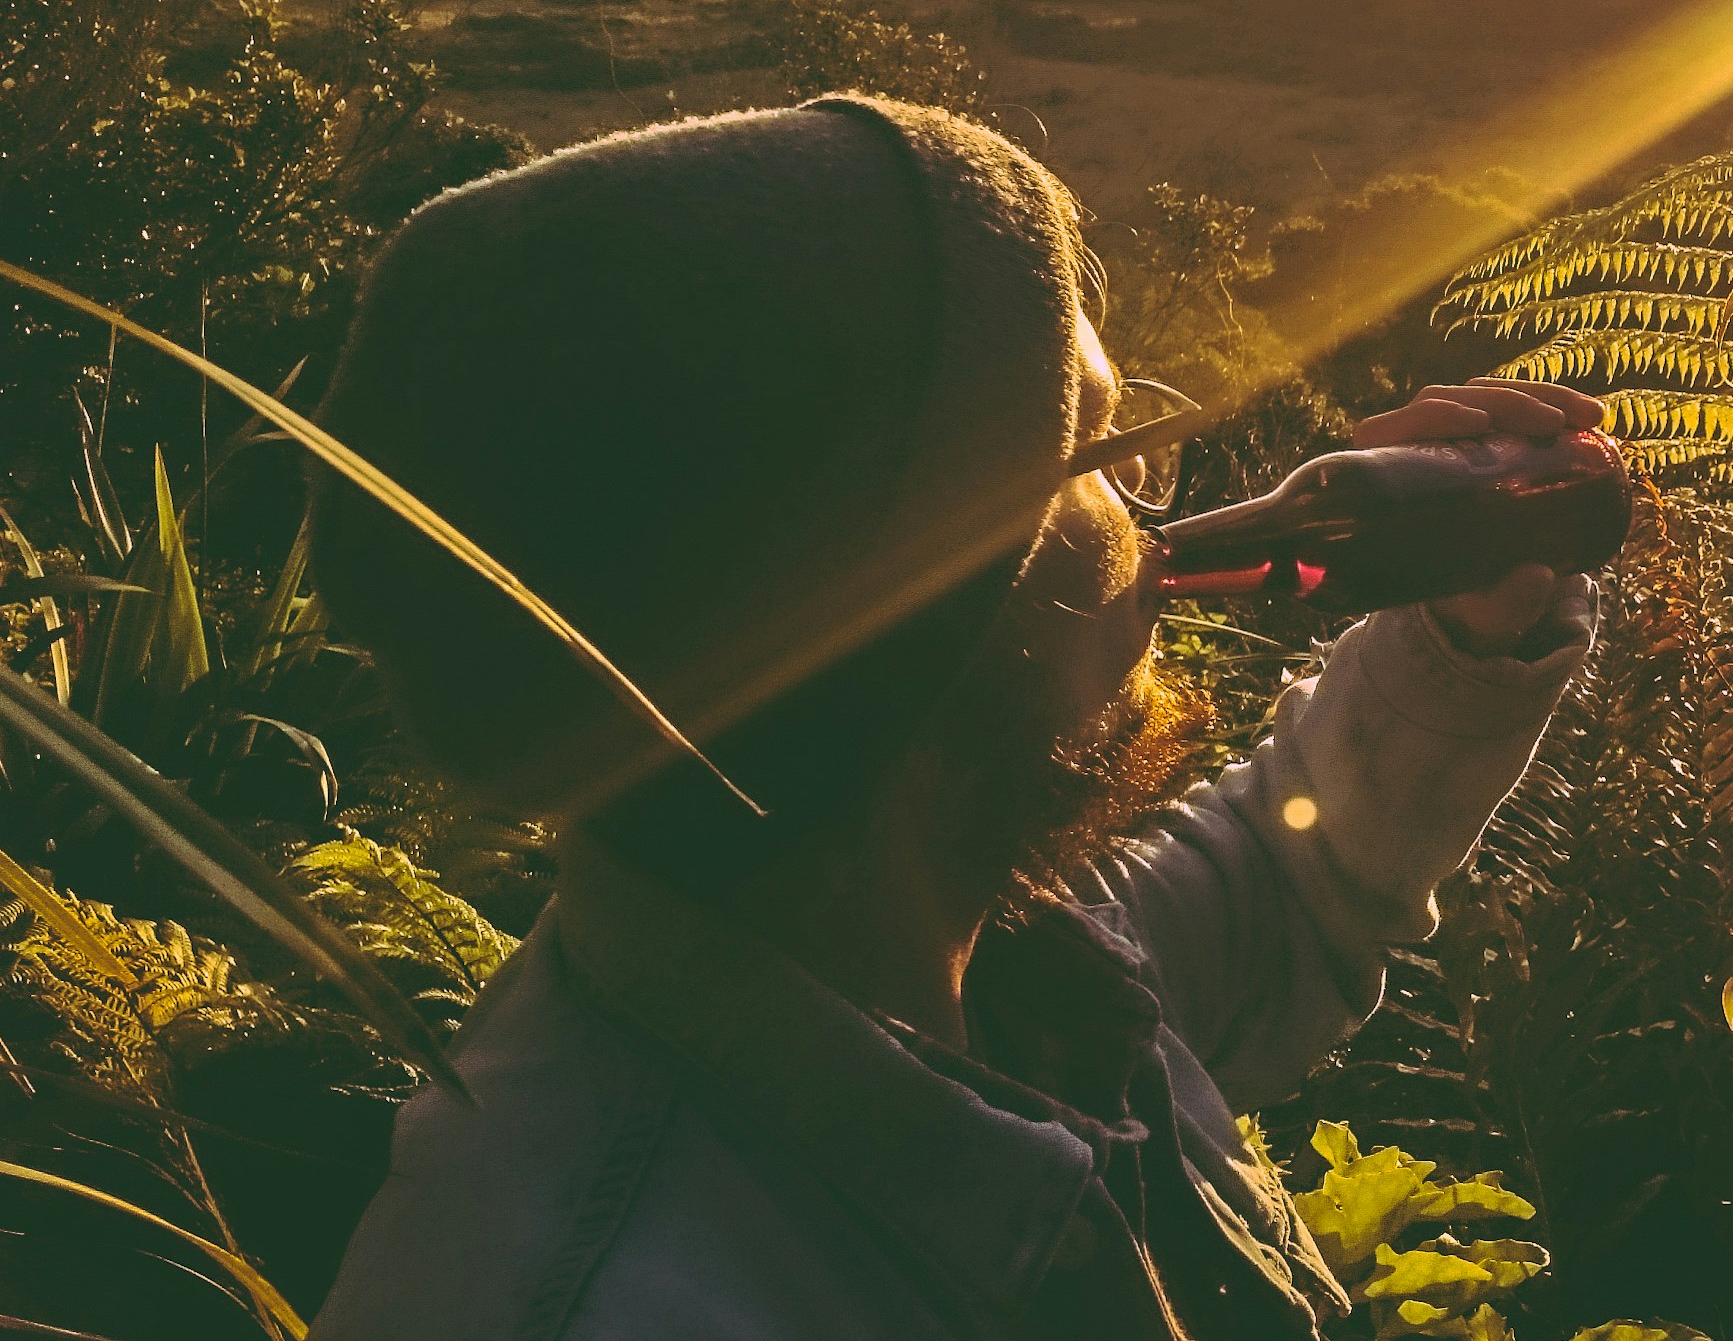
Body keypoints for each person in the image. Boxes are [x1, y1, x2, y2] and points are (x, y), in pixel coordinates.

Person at [300, 95, 1600, 1339]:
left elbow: (1273, 901)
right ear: (909, 612)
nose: (1150, 473)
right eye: (1088, 449)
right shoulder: (614, 1303)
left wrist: (1462, 643)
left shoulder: (952, 948)